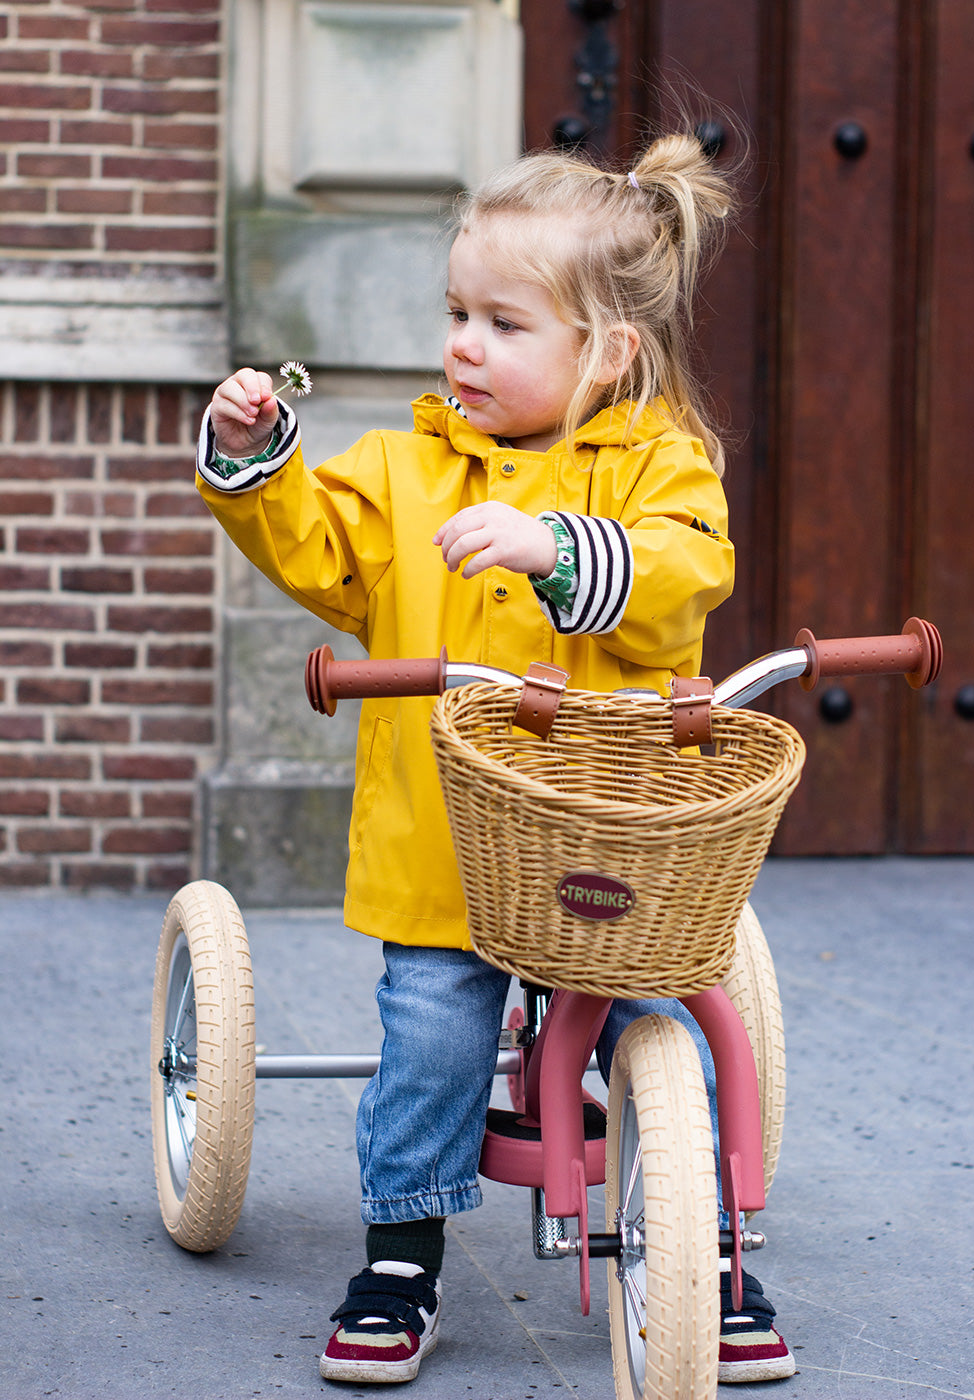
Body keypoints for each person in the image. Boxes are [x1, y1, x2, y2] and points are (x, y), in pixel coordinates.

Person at [196, 133, 795, 1387]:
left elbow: (686, 570)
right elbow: (321, 549)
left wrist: (554, 547)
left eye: (503, 323)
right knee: (432, 1033)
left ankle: (710, 1243)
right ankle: (402, 1246)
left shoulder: (659, 466)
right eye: (455, 313)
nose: (462, 342)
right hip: (448, 844)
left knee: (672, 1009)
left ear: (606, 352)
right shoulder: (408, 469)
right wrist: (256, 460)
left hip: (612, 835)